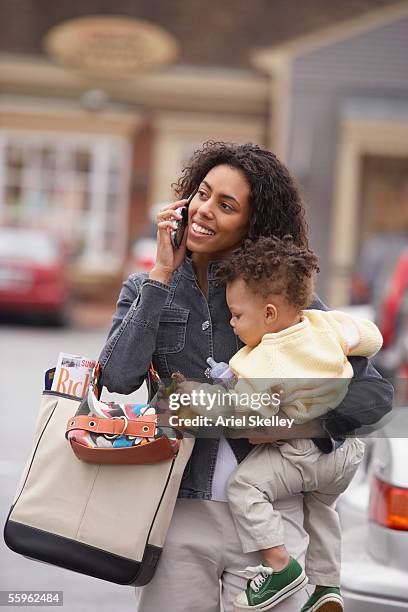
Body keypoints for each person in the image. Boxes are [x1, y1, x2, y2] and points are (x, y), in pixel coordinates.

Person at [97, 141, 393, 612]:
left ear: (252, 226)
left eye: (226, 205)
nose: (205, 210)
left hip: (270, 517)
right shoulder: (147, 288)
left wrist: (295, 425)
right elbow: (115, 378)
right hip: (179, 513)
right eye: (203, 194)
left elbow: (374, 395)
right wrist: (159, 274)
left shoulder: (280, 299)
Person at [175, 235, 381, 611]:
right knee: (321, 510)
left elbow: (247, 412)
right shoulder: (326, 324)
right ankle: (326, 587)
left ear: (269, 314)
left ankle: (280, 566)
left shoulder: (259, 361)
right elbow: (371, 338)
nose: (233, 324)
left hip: (301, 453)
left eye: (237, 315)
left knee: (245, 487)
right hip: (345, 454)